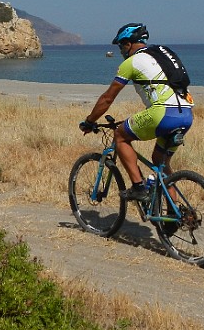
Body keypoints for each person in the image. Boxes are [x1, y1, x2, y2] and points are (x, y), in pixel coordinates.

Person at [79, 23, 194, 202]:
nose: (120, 51)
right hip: (186, 113)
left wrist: (89, 121)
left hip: (163, 114)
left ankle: (139, 187)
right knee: (159, 161)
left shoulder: (131, 63)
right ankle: (174, 213)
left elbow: (107, 98)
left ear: (127, 44)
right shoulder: (160, 55)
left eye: (120, 46)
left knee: (120, 135)